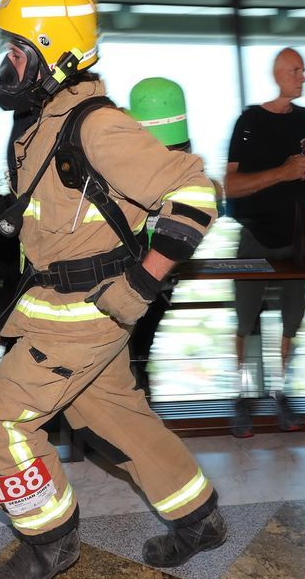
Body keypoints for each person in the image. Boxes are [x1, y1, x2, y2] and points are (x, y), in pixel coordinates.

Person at [0, 0, 224, 578]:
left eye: (19, 49)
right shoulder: (44, 126)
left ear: (54, 50)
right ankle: (200, 519)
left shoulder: (97, 125)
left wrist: (144, 282)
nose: (7, 62)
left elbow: (194, 196)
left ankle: (51, 540)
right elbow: (63, 216)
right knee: (112, 416)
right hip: (63, 309)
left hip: (86, 314)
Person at [223, 47, 305, 437]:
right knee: (244, 319)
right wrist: (284, 173)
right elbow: (230, 184)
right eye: (295, 70)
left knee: (292, 320)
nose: (302, 76)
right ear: (277, 74)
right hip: (254, 235)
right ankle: (242, 398)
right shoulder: (250, 121)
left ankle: (280, 393)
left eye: (304, 70)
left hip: (299, 238)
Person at [127, 77, 194, 397]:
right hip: (155, 276)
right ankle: (141, 401)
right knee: (138, 352)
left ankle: (139, 401)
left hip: (145, 276)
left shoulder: (128, 166)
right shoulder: (185, 168)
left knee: (135, 351)